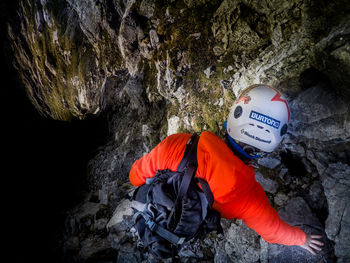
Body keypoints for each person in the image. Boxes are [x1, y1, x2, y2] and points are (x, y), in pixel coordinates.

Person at [129, 84, 324, 255]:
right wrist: (302, 239)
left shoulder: (178, 145)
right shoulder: (249, 198)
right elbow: (273, 231)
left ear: (230, 121)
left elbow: (136, 175)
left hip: (153, 207)